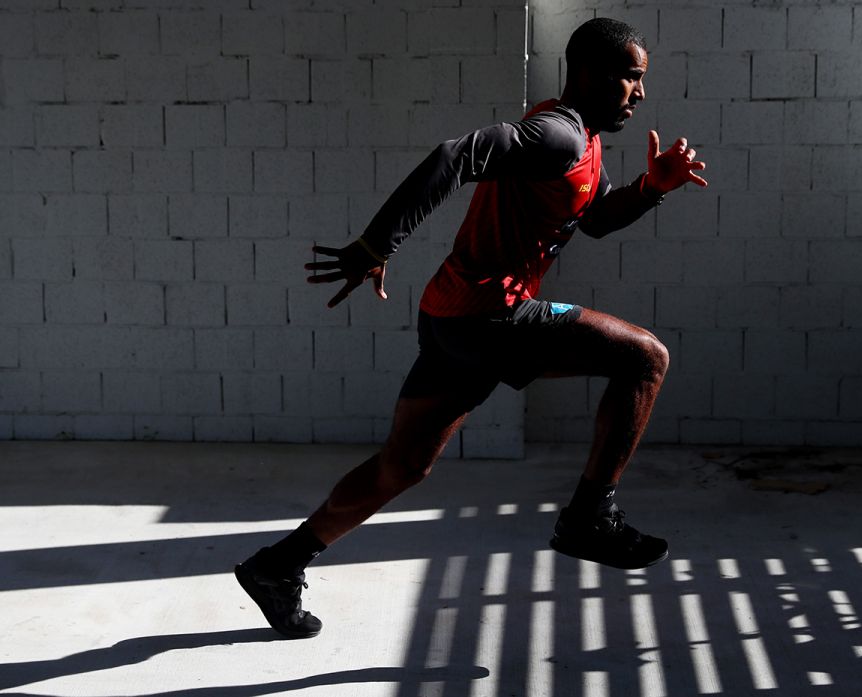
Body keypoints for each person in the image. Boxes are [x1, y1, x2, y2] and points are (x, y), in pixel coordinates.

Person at [235, 17, 708, 639]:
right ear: (589, 73)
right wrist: (379, 242)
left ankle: (278, 564)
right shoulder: (558, 134)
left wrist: (651, 188)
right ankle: (591, 516)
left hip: (452, 317)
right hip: (493, 316)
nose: (639, 93)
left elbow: (591, 220)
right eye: (630, 77)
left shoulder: (582, 140)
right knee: (646, 357)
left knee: (400, 468)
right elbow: (457, 155)